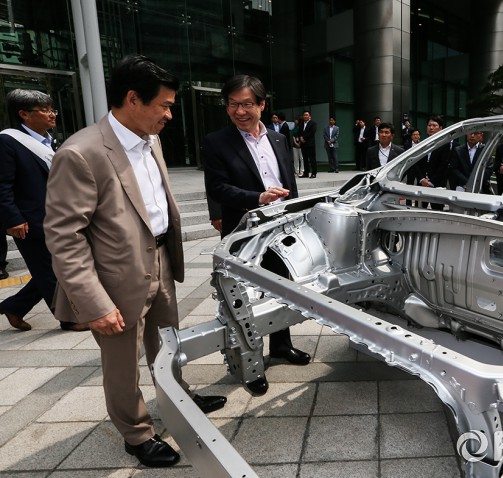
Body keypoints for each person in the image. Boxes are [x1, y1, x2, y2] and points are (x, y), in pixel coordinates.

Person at [44, 55, 226, 469]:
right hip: (114, 280)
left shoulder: (151, 140)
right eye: (164, 105)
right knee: (122, 365)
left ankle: (178, 400)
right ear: (132, 99)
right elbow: (64, 237)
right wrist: (94, 304)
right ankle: (137, 433)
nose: (169, 114)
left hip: (160, 259)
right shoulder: (81, 153)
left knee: (168, 343)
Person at [202, 74, 312, 397]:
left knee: (283, 286)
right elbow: (217, 188)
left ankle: (281, 345)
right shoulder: (217, 142)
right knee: (245, 297)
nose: (240, 111)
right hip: (244, 229)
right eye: (233, 104)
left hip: (280, 229)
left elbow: (289, 180)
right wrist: (258, 198)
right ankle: (249, 363)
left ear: (262, 105)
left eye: (247, 104)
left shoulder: (278, 139)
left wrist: (296, 215)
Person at [0, 88, 86, 332]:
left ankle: (14, 306)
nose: (52, 114)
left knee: (54, 266)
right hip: (29, 220)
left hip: (58, 216)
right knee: (49, 269)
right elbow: (2, 184)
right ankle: (69, 318)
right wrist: (12, 219)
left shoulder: (48, 141)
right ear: (24, 114)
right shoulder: (7, 141)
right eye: (45, 110)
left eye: (52, 109)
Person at [416, 115, 452, 209]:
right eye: (429, 125)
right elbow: (416, 163)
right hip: (422, 184)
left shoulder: (445, 144)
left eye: (434, 125)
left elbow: (443, 165)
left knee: (437, 211)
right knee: (418, 210)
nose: (431, 128)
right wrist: (421, 179)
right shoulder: (422, 144)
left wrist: (431, 182)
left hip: (437, 185)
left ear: (440, 128)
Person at [299, 110, 317, 178]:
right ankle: (306, 173)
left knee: (312, 159)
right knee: (305, 159)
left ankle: (314, 173)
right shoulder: (301, 124)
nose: (305, 116)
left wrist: (304, 138)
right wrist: (300, 137)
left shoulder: (313, 123)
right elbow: (299, 132)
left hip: (310, 144)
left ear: (310, 116)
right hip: (303, 144)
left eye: (307, 115)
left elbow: (312, 132)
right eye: (304, 115)